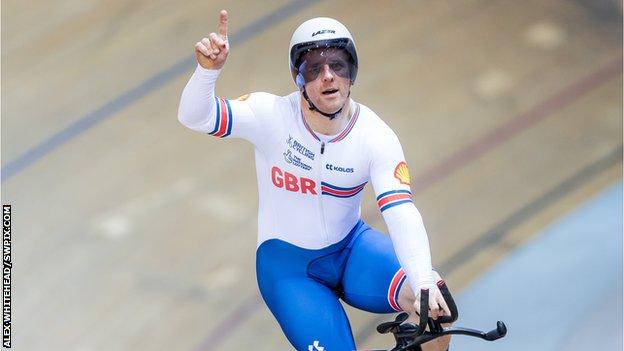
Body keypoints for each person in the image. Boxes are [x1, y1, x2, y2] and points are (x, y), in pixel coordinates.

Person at [178, 10, 454, 351]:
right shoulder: (272, 116)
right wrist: (208, 73)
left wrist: (422, 279)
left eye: (337, 65)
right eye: (314, 68)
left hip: (352, 250)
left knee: (435, 306)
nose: (328, 77)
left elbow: (401, 212)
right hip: (290, 271)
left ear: (351, 71)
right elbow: (195, 116)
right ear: (298, 78)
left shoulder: (375, 136)